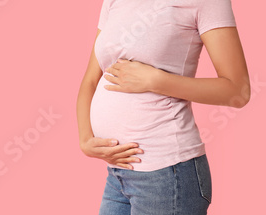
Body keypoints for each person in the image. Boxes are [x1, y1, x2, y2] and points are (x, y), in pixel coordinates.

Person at [76, 0, 250, 214]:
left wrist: (156, 81)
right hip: (117, 174)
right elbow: (91, 81)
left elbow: (237, 91)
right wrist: (85, 139)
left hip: (168, 175)